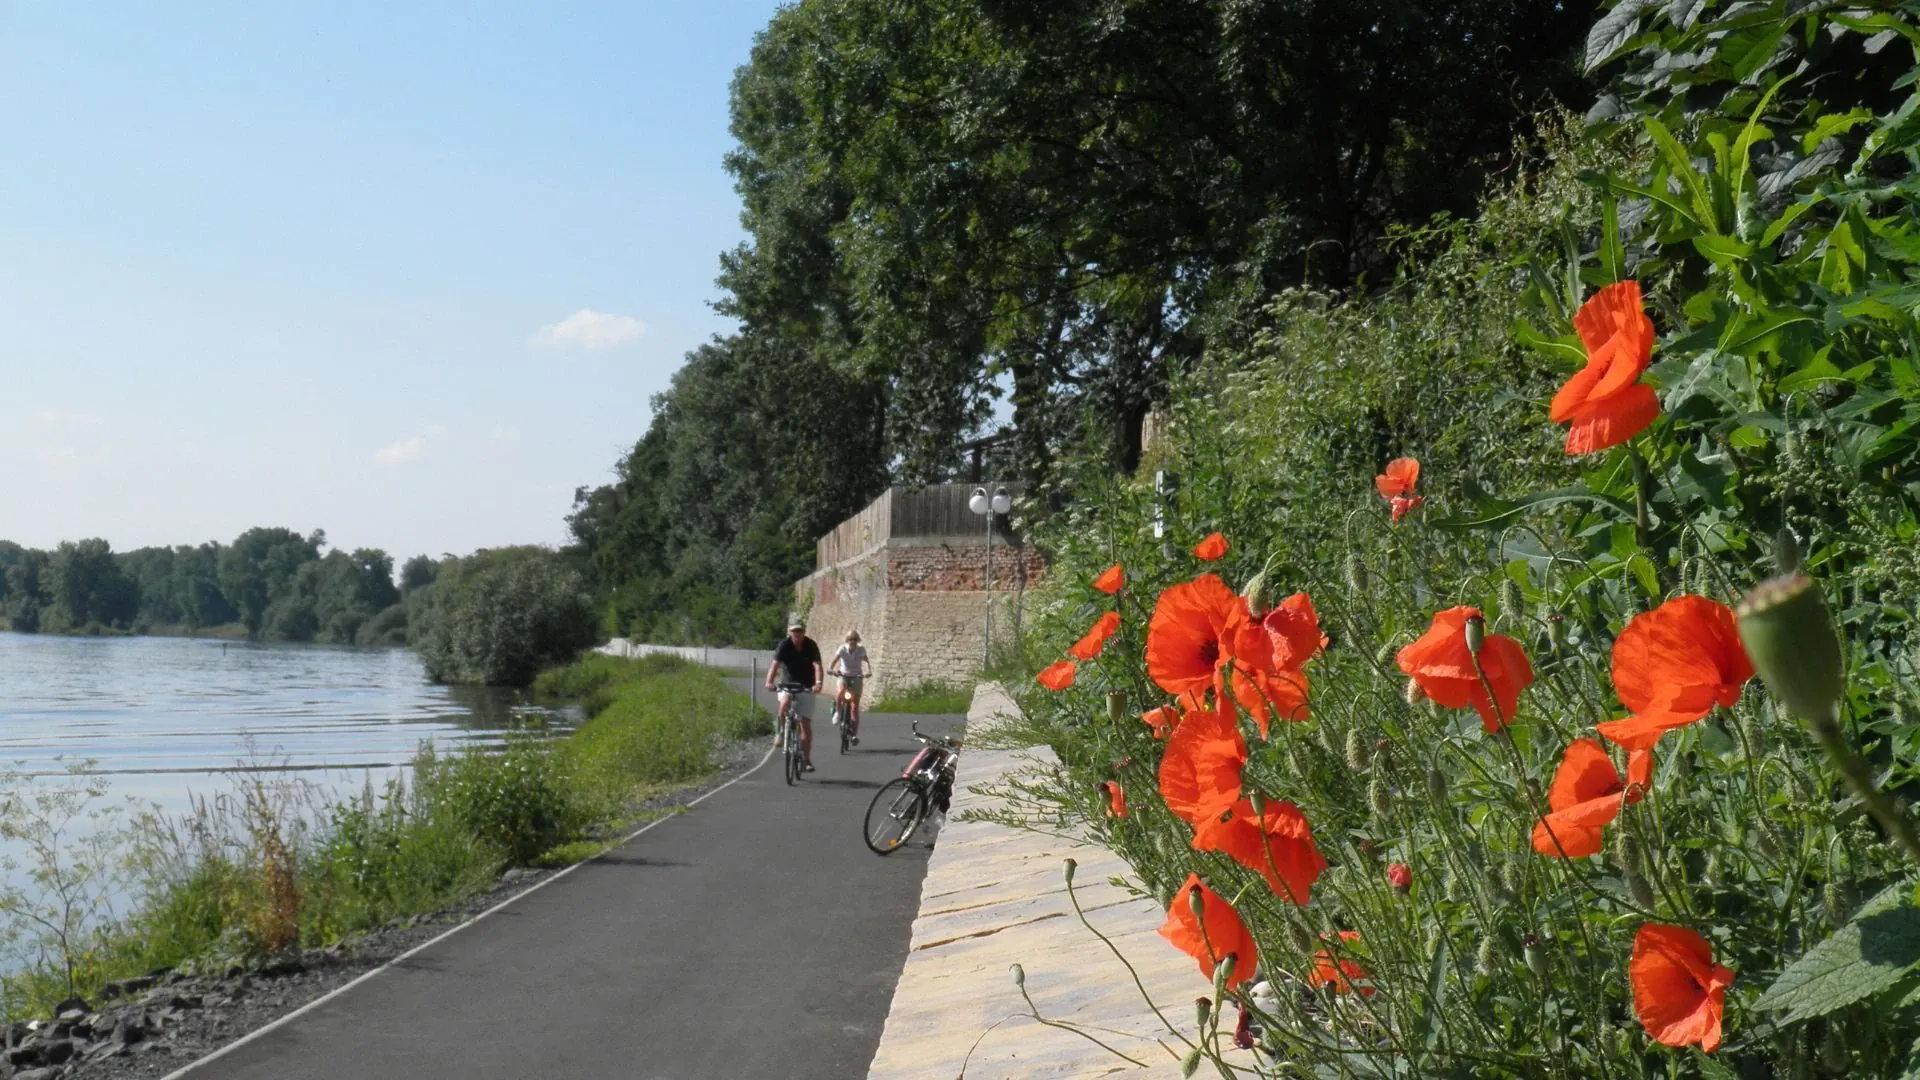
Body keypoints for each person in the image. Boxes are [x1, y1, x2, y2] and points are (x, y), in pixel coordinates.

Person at [766, 620, 823, 772]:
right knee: (784, 702)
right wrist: (769, 682)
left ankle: (807, 760)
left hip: (806, 686)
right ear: (790, 632)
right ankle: (779, 732)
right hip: (787, 684)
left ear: (804, 632)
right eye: (794, 631)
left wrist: (818, 683)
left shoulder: (811, 645)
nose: (797, 634)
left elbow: (817, 665)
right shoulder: (784, 645)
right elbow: (775, 665)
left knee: (805, 725)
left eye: (800, 631)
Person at [829, 630, 872, 746]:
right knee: (841, 691)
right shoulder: (842, 649)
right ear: (847, 640)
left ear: (857, 640)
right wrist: (831, 669)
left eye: (854, 639)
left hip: (857, 677)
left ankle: (854, 735)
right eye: (850, 639)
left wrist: (868, 671)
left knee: (854, 708)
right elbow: (834, 661)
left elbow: (867, 662)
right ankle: (837, 712)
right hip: (844, 675)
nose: (852, 642)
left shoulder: (861, 650)